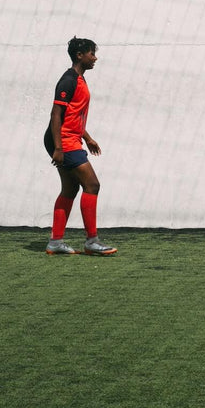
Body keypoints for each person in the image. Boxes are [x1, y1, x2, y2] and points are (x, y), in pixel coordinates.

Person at [43, 37, 117, 256]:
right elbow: (56, 115)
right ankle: (91, 241)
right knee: (92, 185)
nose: (95, 58)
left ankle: (55, 242)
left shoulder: (80, 80)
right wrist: (58, 148)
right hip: (63, 141)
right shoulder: (68, 80)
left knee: (70, 188)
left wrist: (87, 137)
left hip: (70, 139)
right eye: (91, 54)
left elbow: (73, 114)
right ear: (79, 55)